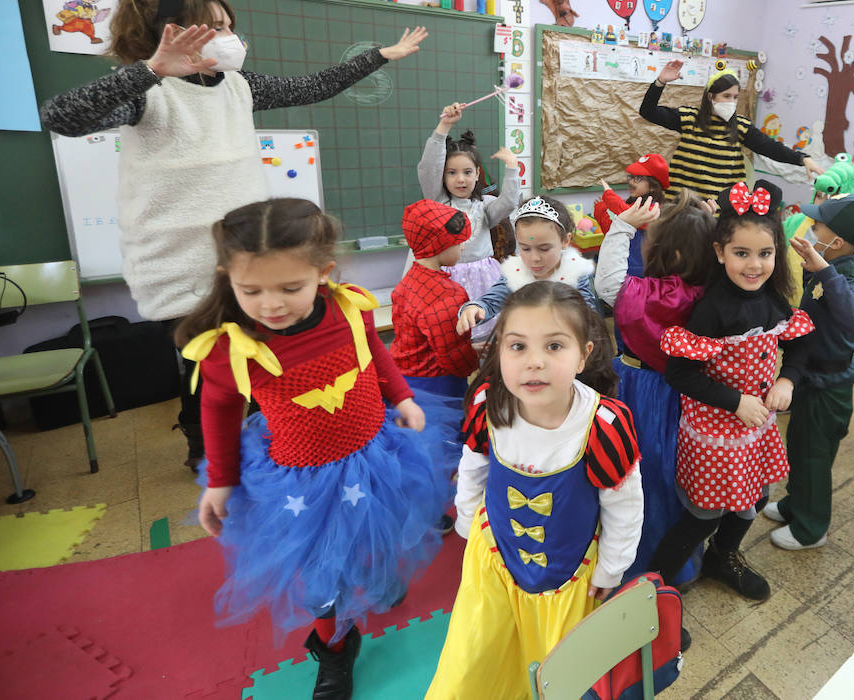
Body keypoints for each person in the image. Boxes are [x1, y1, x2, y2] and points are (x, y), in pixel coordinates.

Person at [39, 0, 427, 468]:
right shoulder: (149, 90)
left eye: (229, 26)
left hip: (246, 256)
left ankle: (270, 445)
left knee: (258, 358)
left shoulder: (238, 85)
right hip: (178, 264)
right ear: (174, 33)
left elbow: (314, 86)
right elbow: (61, 118)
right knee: (208, 372)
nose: (229, 37)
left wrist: (382, 55)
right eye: (215, 27)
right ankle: (208, 458)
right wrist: (152, 70)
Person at [177, 198, 454, 700]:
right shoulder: (232, 346)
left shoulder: (348, 307)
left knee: (381, 531)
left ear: (322, 274)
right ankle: (336, 648)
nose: (271, 304)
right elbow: (217, 410)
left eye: (290, 288)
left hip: (377, 452)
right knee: (322, 575)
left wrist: (404, 397)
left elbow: (373, 357)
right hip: (302, 481)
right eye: (251, 290)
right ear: (228, 278)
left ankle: (379, 575)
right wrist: (220, 479)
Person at [424, 282, 642, 700]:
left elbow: (625, 504)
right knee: (473, 661)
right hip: (495, 565)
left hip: (569, 577)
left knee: (562, 675)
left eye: (555, 347)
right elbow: (474, 464)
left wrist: (611, 568)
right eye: (518, 347)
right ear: (498, 352)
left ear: (584, 355)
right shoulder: (491, 403)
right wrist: (469, 525)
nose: (534, 363)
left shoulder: (603, 424)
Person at [650, 180, 813, 633]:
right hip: (716, 434)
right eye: (742, 253)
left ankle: (725, 557)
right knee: (702, 515)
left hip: (755, 429)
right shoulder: (712, 311)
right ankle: (653, 594)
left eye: (764, 254)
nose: (754, 264)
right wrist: (735, 400)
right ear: (720, 252)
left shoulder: (775, 300)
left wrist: (787, 378)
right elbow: (679, 374)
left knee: (755, 499)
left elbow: (799, 345)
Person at [593, 193, 715, 583]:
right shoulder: (706, 295)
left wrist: (622, 225)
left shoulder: (647, 294)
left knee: (636, 474)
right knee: (674, 476)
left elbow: (607, 282)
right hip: (687, 397)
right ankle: (676, 561)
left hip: (638, 391)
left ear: (671, 253)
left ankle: (638, 563)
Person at [765, 194, 854, 550]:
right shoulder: (832, 267)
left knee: (814, 457)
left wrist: (824, 271)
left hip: (829, 386)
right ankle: (795, 504)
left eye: (819, 227)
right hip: (809, 377)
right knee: (799, 447)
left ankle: (811, 528)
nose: (812, 229)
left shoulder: (848, 277)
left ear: (838, 241)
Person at [390, 200, 479, 535]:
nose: (462, 248)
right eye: (459, 243)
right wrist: (477, 360)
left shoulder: (409, 281)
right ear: (441, 245)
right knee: (439, 456)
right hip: (439, 387)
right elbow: (453, 356)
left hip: (405, 382)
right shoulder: (447, 295)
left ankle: (417, 511)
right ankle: (428, 517)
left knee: (413, 452)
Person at [639, 59, 823, 199]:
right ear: (711, 96)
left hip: (717, 214)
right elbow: (648, 112)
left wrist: (802, 159)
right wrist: (660, 82)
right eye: (726, 96)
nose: (732, 102)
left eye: (735, 97)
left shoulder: (741, 127)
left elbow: (771, 148)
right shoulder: (689, 118)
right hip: (680, 207)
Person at [414, 108, 522, 342]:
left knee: (489, 333)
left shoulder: (485, 206)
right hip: (447, 279)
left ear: (477, 174)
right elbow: (428, 168)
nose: (460, 179)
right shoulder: (438, 203)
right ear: (442, 177)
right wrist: (444, 126)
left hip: (484, 277)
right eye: (451, 173)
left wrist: (513, 169)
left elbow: (510, 201)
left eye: (467, 172)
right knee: (454, 334)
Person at [456, 196, 601, 334]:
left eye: (544, 249)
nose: (534, 258)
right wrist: (475, 309)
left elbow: (588, 312)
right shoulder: (517, 272)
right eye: (525, 248)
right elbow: (489, 302)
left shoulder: (574, 272)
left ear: (565, 241)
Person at [594, 153, 670, 280]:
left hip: (641, 274)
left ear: (652, 186)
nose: (630, 181)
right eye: (631, 177)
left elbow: (630, 215)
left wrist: (608, 195)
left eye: (638, 178)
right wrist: (601, 211)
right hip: (622, 267)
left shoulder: (655, 209)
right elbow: (612, 231)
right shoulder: (629, 204)